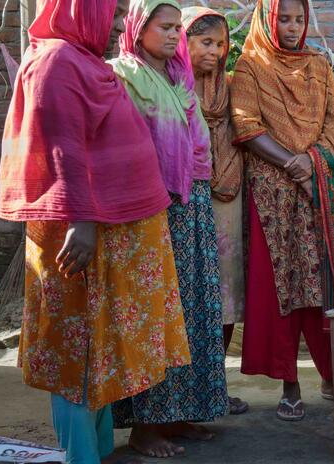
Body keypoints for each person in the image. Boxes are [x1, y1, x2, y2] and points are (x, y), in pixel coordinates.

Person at [0, 0, 191, 462]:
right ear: (85, 10)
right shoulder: (56, 62)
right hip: (82, 236)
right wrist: (81, 223)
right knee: (75, 353)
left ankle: (98, 450)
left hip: (111, 232)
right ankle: (80, 455)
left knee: (96, 349)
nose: (123, 23)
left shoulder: (82, 61)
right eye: (116, 11)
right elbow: (60, 144)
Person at [230, 0, 334, 422]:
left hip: (315, 192)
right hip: (272, 196)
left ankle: (331, 375)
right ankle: (290, 382)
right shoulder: (250, 66)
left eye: (298, 19)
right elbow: (246, 126)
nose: (291, 27)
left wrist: (312, 165)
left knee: (323, 283)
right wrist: (294, 166)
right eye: (283, 18)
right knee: (281, 287)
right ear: (268, 19)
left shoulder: (319, 66)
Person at [109, 0, 228, 457]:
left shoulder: (180, 77)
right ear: (139, 28)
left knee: (194, 311)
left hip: (192, 202)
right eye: (164, 26)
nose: (172, 34)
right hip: (151, 207)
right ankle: (147, 425)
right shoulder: (121, 73)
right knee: (157, 316)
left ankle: (180, 416)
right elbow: (124, 142)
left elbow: (196, 139)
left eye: (177, 27)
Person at [181, 5, 250, 417]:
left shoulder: (232, 85)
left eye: (221, 44)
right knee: (192, 291)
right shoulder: (174, 85)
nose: (216, 51)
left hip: (229, 196)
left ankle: (215, 386)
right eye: (206, 42)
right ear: (184, 42)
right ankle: (186, 389)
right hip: (188, 195)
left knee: (226, 291)